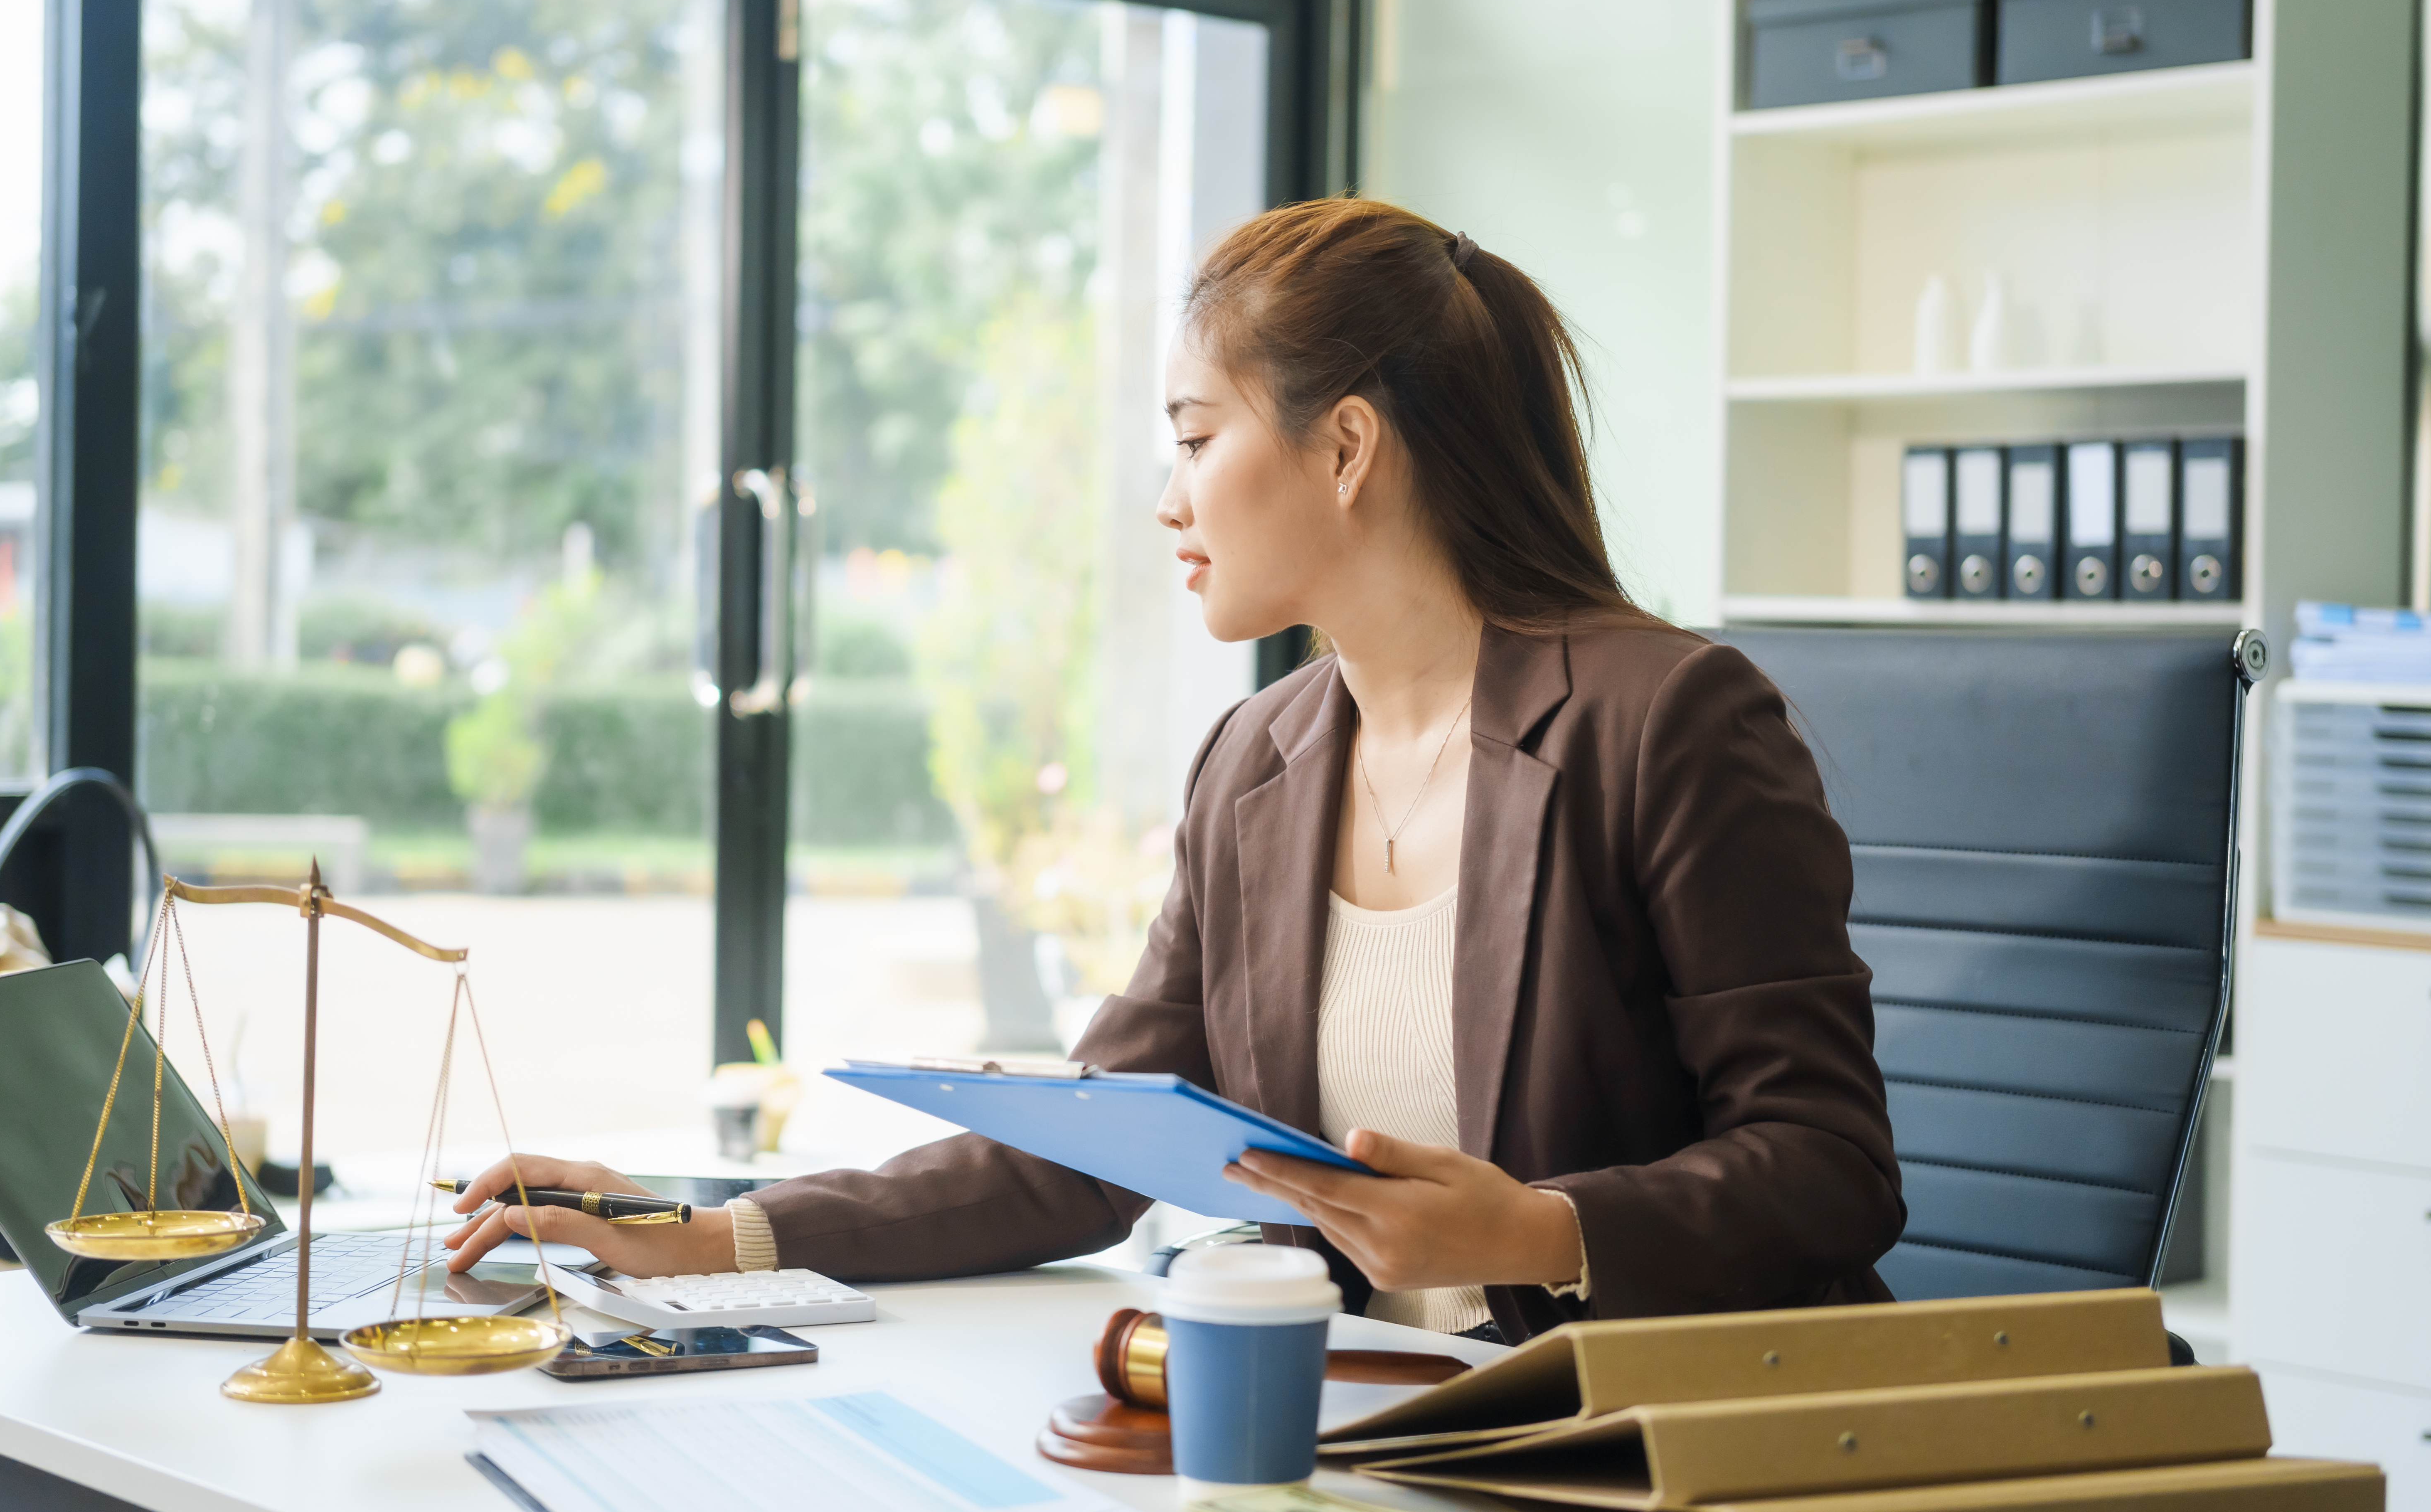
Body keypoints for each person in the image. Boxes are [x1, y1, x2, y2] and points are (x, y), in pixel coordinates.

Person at [447, 196, 1902, 1340]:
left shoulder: (1667, 722)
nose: (1167, 501)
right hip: (1356, 1439)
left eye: (1195, 438)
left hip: (1641, 1452)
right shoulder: (1258, 762)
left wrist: (1536, 1232)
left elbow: (1830, 1165)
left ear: (1345, 448)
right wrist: (708, 1232)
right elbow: (1096, 1143)